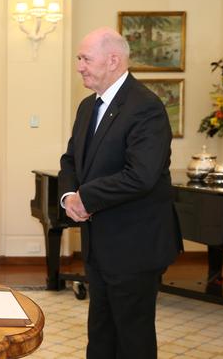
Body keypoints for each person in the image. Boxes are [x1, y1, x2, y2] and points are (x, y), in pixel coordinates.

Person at [58, 27, 182, 359]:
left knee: (133, 338)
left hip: (135, 246)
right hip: (99, 244)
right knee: (100, 333)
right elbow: (70, 160)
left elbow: (140, 176)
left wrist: (87, 197)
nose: (80, 66)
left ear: (113, 60)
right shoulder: (88, 106)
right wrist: (69, 196)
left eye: (85, 58)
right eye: (78, 59)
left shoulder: (146, 107)